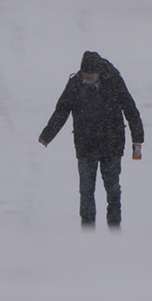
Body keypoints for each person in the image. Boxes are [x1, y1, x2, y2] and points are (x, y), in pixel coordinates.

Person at [39, 51, 144, 229]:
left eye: (90, 74)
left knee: (112, 189)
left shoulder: (114, 81)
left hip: (112, 144)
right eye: (84, 73)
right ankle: (87, 229)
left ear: (99, 72)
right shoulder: (75, 84)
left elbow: (130, 109)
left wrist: (137, 139)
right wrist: (47, 135)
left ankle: (114, 226)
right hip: (85, 144)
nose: (86, 77)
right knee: (86, 191)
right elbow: (62, 110)